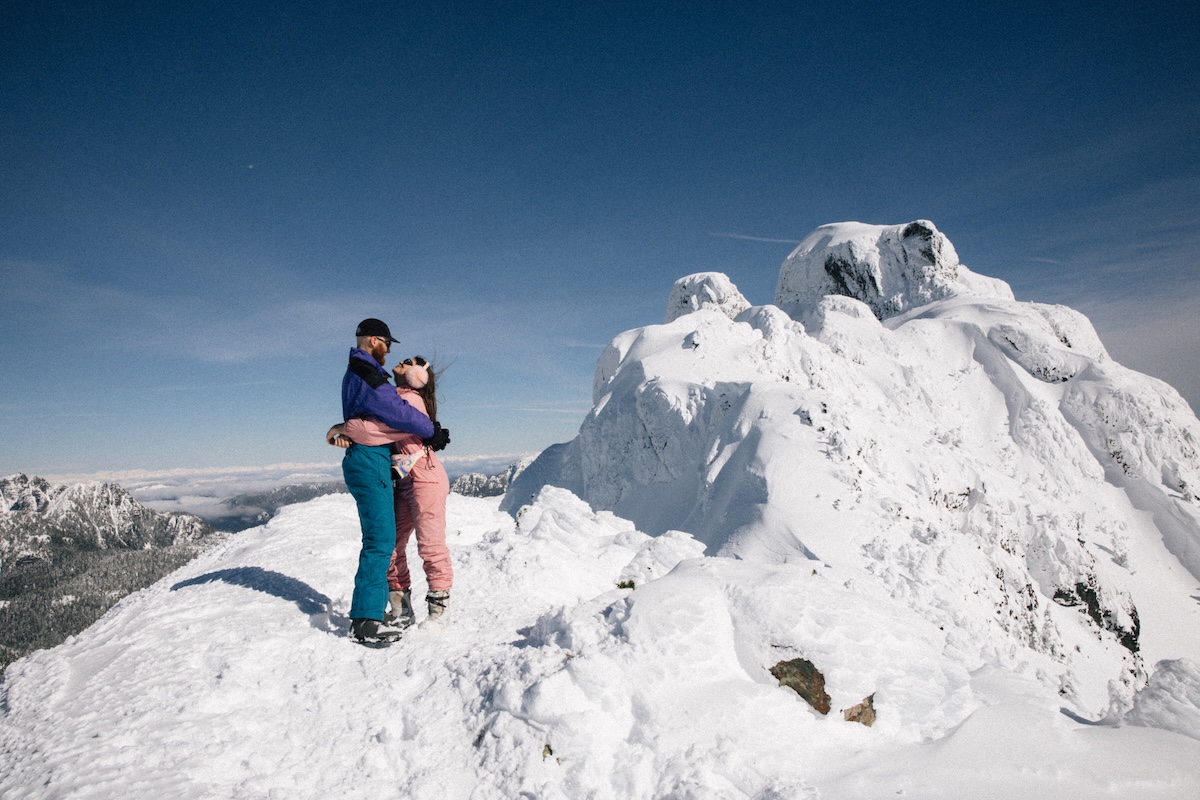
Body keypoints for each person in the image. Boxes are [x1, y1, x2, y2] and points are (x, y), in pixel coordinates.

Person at [337, 318, 444, 646]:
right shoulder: (367, 373)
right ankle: (365, 621)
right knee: (381, 541)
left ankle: (373, 614)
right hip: (370, 462)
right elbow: (396, 413)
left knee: (383, 540)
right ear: (373, 340)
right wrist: (430, 429)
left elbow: (375, 420)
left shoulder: (364, 372)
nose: (389, 351)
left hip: (375, 463)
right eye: (386, 343)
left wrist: (346, 428)